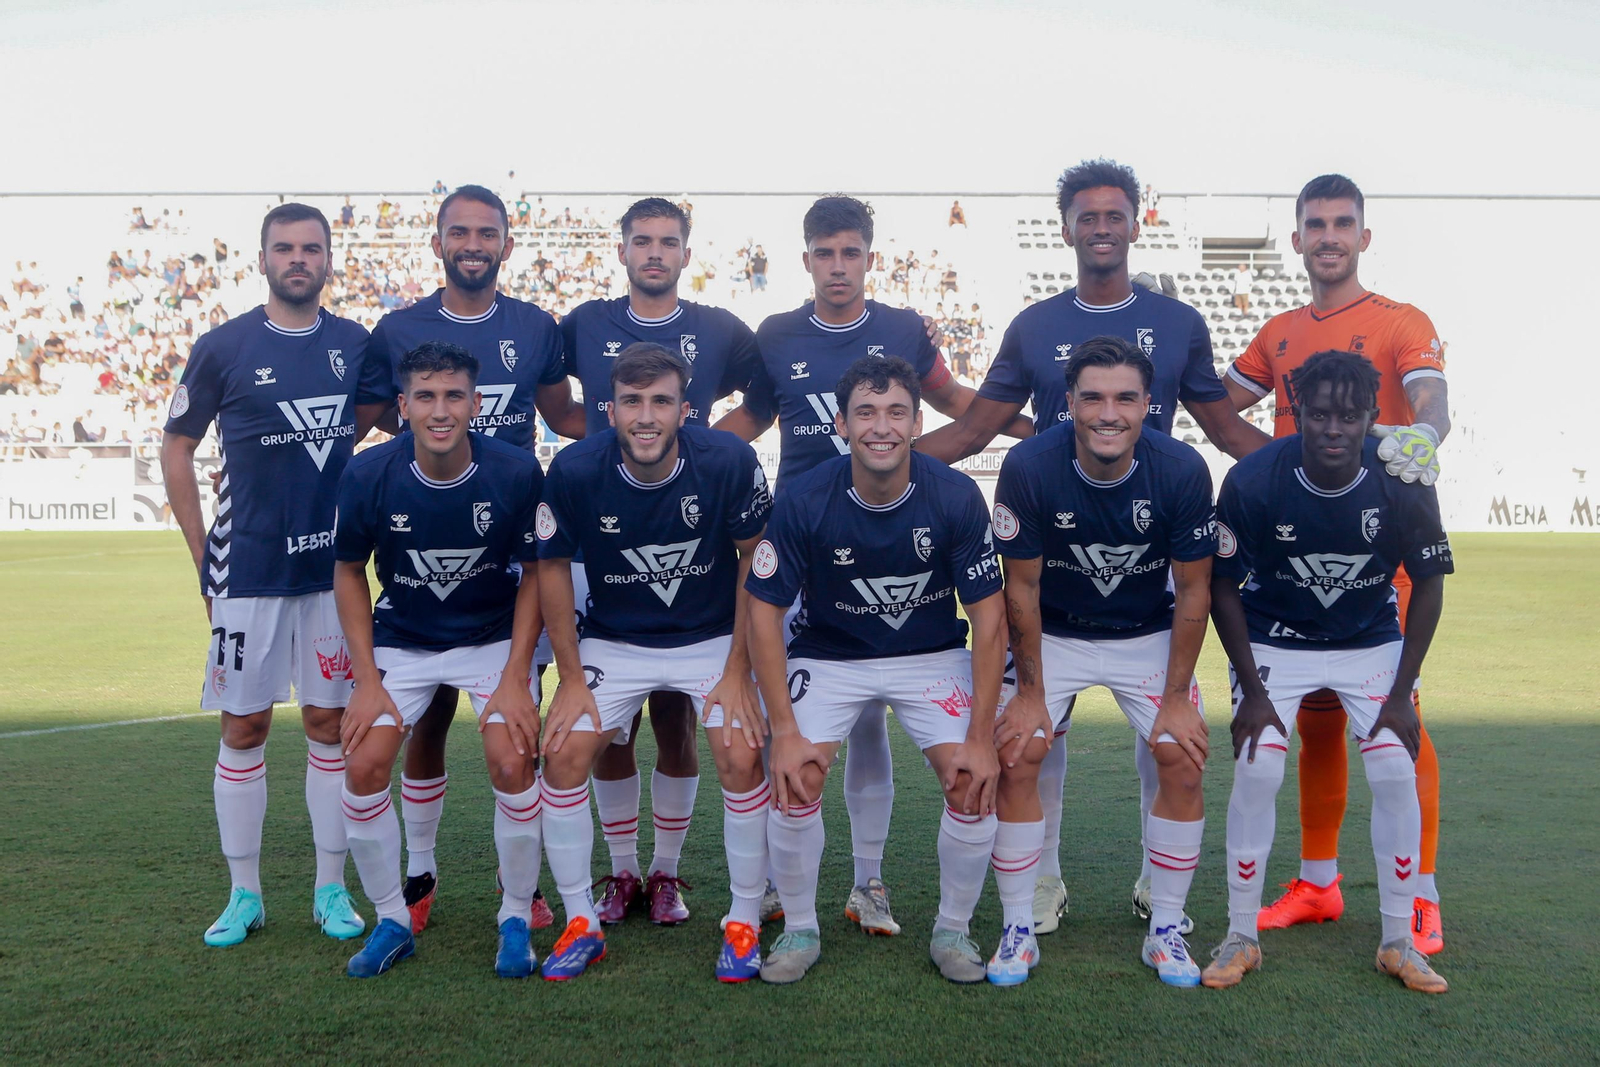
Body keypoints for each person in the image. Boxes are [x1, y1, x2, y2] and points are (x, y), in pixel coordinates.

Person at [918, 159, 1268, 936]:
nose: (1102, 227)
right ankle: (1040, 886)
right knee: (1033, 739)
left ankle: (1156, 882)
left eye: (1116, 214)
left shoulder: (1178, 322)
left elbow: (1221, 428)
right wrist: (880, 465)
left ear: (1137, 222)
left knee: (1168, 742)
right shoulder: (1035, 325)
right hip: (1055, 568)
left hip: (1148, 568)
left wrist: (1309, 469)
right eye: (1088, 215)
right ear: (1067, 225)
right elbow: (977, 428)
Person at [715, 194, 1026, 936]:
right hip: (803, 539)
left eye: (850, 253)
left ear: (870, 258)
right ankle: (774, 893)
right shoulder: (778, 333)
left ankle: (868, 881)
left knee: (875, 724)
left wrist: (1043, 426)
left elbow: (958, 403)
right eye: (824, 254)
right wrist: (673, 446)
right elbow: (751, 421)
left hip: (895, 534)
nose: (838, 267)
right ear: (806, 261)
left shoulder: (901, 330)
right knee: (788, 734)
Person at [1222, 173, 1452, 954]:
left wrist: (1419, 439)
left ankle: (1419, 896)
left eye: (1342, 223)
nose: (1328, 236)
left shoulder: (1399, 322)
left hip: (1371, 552)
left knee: (1397, 721)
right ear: (1296, 239)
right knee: (1316, 723)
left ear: (1363, 236)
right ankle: (1318, 882)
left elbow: (1431, 399)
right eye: (1314, 224)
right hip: (1291, 557)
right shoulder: (1279, 331)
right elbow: (1221, 403)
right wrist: (1266, 467)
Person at [354, 183, 584, 934]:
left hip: (507, 547)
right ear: (439, 241)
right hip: (421, 543)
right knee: (421, 724)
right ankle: (419, 872)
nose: (474, 243)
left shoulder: (536, 326)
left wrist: (655, 429)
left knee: (516, 731)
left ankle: (521, 882)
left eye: (488, 232)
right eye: (461, 231)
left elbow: (562, 416)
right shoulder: (397, 329)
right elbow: (359, 425)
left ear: (507, 245)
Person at [160, 203, 386, 948]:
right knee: (244, 724)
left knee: (330, 725)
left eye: (311, 248)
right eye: (284, 248)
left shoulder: (356, 345)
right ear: (262, 259)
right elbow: (177, 447)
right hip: (247, 568)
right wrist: (204, 554)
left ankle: (330, 888)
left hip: (333, 572)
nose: (298, 259)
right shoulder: (223, 345)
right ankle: (244, 893)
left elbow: (381, 422)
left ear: (329, 258)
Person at [1201, 350, 1452, 994]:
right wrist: (1253, 692)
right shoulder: (1254, 479)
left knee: (1396, 765)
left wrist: (1402, 694)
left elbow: (1427, 586)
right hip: (1273, 639)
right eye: (1318, 415)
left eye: (1348, 415)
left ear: (1373, 416)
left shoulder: (1402, 476)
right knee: (1259, 764)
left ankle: (1398, 940)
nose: (1333, 429)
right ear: (1298, 416)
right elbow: (1222, 587)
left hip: (1369, 638)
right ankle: (1239, 935)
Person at [747, 355, 1004, 985]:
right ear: (840, 424)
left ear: (917, 422)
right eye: (865, 412)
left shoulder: (954, 494)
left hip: (931, 654)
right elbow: (762, 614)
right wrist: (783, 729)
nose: (880, 427)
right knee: (796, 773)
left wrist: (978, 736)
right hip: (830, 655)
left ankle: (953, 930)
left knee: (972, 781)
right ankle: (801, 927)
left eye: (895, 413)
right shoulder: (806, 497)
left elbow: (991, 621)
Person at [534, 343, 773, 981]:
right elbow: (551, 569)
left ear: (685, 409)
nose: (646, 416)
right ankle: (582, 921)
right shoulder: (576, 469)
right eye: (633, 402)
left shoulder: (727, 461)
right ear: (609, 410)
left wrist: (736, 672)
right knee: (563, 750)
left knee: (740, 750)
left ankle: (741, 919)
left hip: (709, 637)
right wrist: (572, 679)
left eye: (661, 401)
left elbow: (756, 561)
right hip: (615, 637)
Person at [557, 198, 762, 927]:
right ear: (621, 250)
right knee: (611, 729)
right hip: (603, 552)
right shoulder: (583, 322)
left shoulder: (717, 329)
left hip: (695, 557)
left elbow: (766, 392)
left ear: (685, 251)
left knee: (679, 723)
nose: (653, 252)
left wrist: (712, 448)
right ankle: (620, 872)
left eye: (666, 242)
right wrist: (598, 446)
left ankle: (667, 873)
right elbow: (553, 398)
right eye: (640, 241)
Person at [989, 336, 1215, 987]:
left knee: (1180, 751)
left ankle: (1165, 925)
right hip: (1053, 631)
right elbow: (1021, 589)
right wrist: (1029, 692)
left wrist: (1176, 695)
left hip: (1146, 630)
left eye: (1124, 397)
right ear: (1068, 403)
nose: (1107, 412)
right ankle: (1019, 924)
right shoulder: (1031, 466)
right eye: (1092, 396)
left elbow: (1195, 589)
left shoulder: (1180, 469)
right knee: (1019, 748)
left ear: (1150, 404)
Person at [332, 341, 547, 979]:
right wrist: (367, 681)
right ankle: (393, 919)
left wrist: (516, 676)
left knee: (512, 759)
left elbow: (538, 575)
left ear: (476, 403)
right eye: (425, 396)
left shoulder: (514, 471)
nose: (440, 409)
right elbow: (348, 572)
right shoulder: (370, 472)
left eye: (454, 395)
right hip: (404, 638)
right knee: (365, 762)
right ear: (403, 406)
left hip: (491, 637)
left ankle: (514, 915)